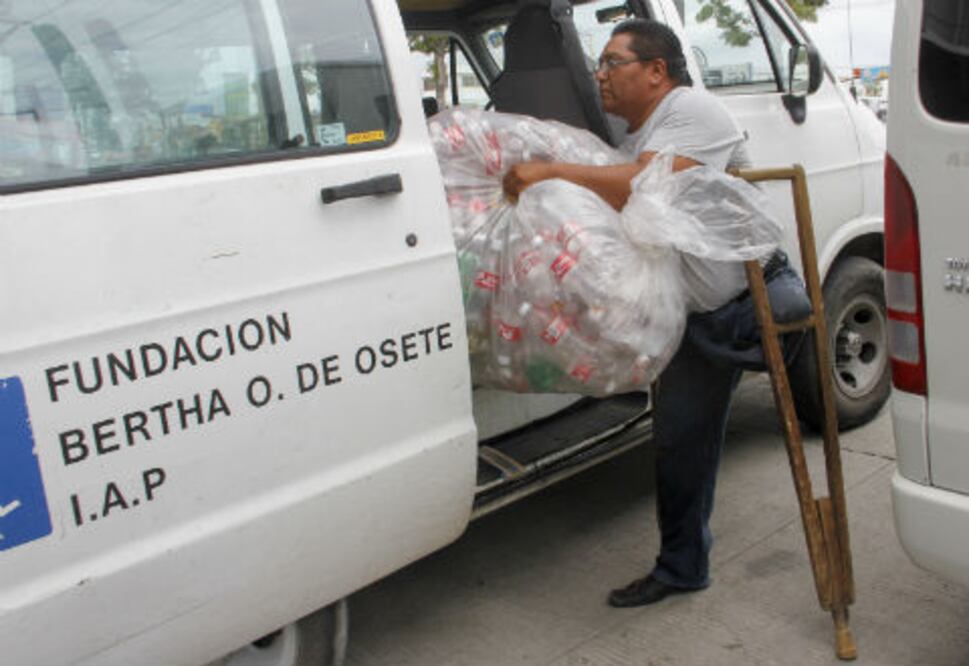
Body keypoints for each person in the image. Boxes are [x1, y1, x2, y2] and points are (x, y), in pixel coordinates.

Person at [503, 18, 765, 607]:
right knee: (680, 447)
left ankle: (682, 564)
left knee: (708, 434)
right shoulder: (634, 138)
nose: (599, 75)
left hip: (735, 311)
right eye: (599, 64)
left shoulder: (693, 111)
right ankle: (682, 567)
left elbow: (645, 188)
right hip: (684, 320)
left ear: (655, 70)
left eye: (612, 62)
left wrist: (550, 172)